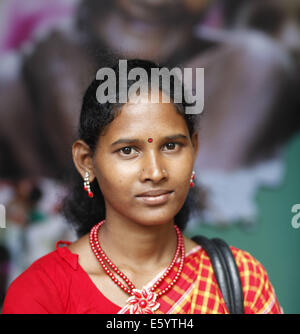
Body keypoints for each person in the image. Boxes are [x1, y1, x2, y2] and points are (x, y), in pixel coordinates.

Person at [2, 59, 282, 314]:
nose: (156, 172)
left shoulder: (240, 282)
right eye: (128, 150)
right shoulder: (42, 293)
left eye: (171, 146)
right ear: (86, 161)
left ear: (194, 149)